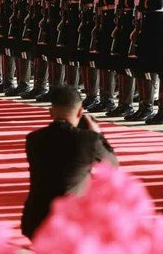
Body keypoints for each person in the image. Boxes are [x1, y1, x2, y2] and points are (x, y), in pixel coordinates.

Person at [20, 85, 117, 240]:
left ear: (51, 113)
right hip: (71, 223)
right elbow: (112, 165)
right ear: (80, 112)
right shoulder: (88, 140)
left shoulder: (33, 139)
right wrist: (98, 135)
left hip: (36, 221)